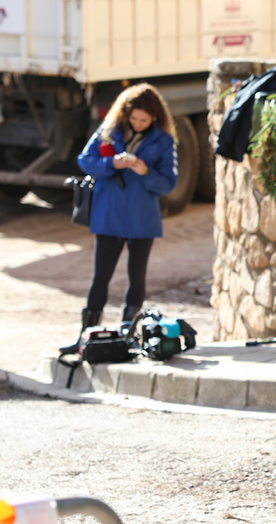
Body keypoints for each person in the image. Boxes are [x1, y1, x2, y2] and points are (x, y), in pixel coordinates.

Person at [58, 83, 178, 355]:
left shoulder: (164, 141)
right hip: (109, 214)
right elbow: (85, 160)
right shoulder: (109, 131)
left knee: (137, 277)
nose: (137, 124)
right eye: (133, 118)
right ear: (126, 113)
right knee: (100, 276)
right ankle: (84, 337)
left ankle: (128, 335)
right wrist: (112, 164)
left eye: (143, 120)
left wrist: (145, 170)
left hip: (142, 218)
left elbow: (168, 184)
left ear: (155, 117)